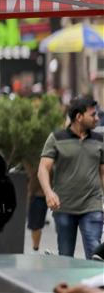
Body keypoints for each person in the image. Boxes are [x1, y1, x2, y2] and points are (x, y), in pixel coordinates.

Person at [37, 95, 104, 260]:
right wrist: (49, 193)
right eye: (93, 115)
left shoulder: (100, 140)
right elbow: (43, 168)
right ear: (79, 117)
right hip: (64, 207)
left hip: (92, 206)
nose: (97, 118)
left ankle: (96, 278)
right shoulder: (57, 138)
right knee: (66, 257)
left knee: (95, 255)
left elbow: (103, 173)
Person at [26, 165, 49, 253]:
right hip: (38, 194)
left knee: (35, 225)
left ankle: (35, 249)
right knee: (35, 225)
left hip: (39, 194)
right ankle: (35, 248)